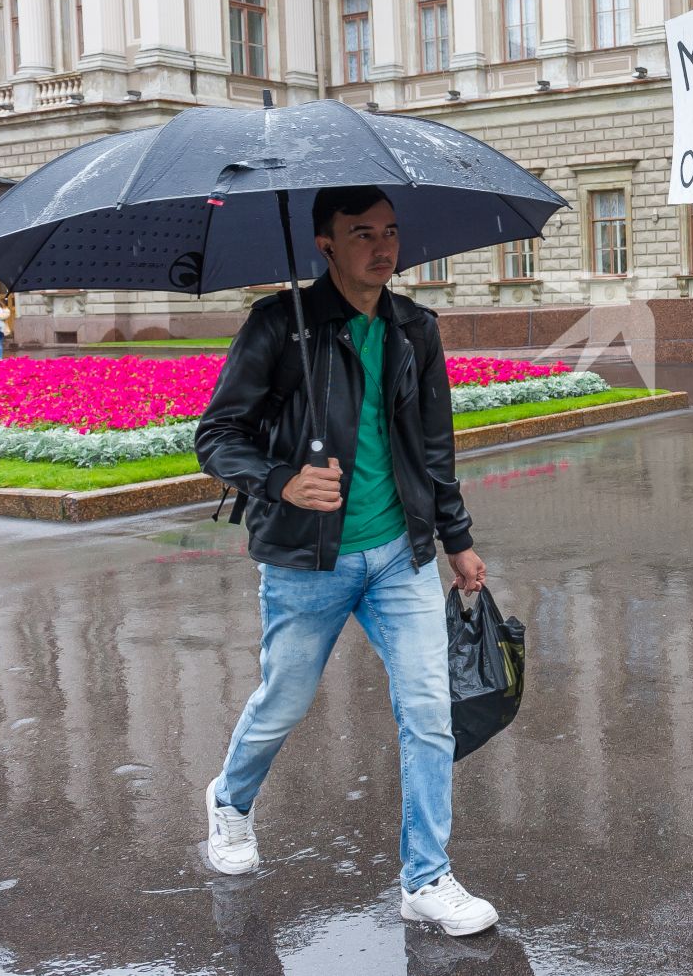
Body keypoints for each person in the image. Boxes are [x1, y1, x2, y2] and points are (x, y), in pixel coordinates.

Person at [194, 184, 500, 936]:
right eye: (361, 232)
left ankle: (426, 876)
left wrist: (455, 540)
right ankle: (230, 800)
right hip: (307, 560)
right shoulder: (279, 326)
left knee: (429, 713)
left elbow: (434, 448)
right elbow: (216, 434)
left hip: (400, 554)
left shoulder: (412, 329)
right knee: (284, 703)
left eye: (391, 231)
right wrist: (282, 479)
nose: (383, 245)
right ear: (324, 243)